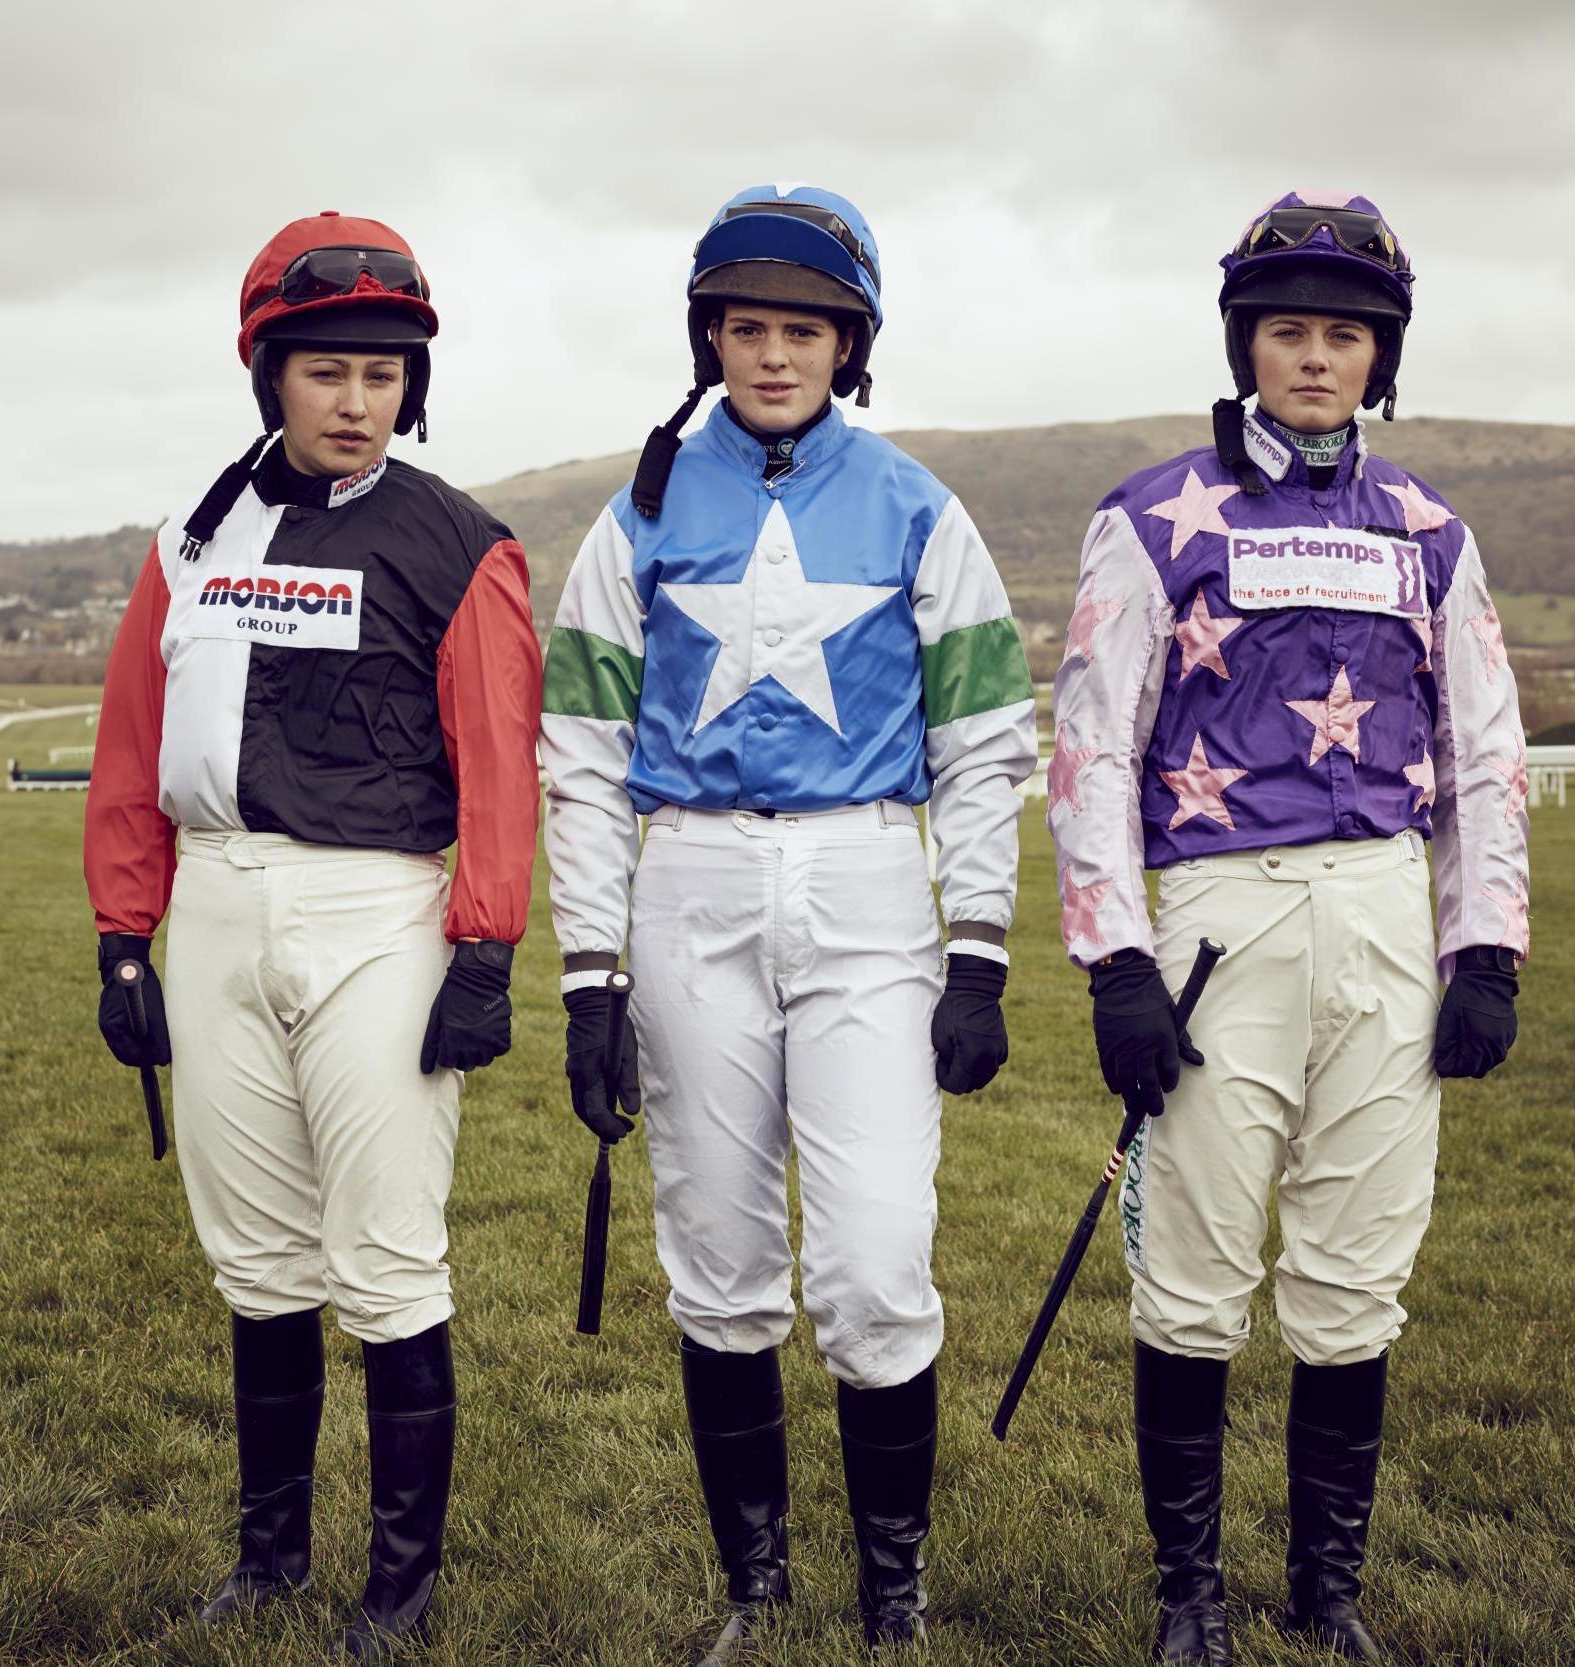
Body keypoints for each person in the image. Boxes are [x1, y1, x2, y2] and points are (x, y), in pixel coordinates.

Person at [541, 184, 1037, 1659]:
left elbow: (985, 739)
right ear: (711, 338)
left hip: (866, 885)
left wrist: (980, 949)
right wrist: (586, 974)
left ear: (849, 343)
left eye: (802, 331)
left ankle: (895, 1596)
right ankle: (754, 1593)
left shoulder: (913, 506)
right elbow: (575, 752)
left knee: (877, 1262)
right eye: (746, 329)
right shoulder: (633, 514)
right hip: (686, 885)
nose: (772, 357)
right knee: (718, 1255)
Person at [1048, 191, 1528, 1665]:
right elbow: (1091, 749)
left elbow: (1485, 750)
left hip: (1381, 913)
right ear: (1243, 344)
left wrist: (1485, 946)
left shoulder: (1429, 533)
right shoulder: (1148, 519)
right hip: (1213, 923)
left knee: (1352, 1272)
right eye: (1285, 332)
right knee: (1193, 1275)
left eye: (1341, 336)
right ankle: (1184, 1595)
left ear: (1378, 357)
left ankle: (1328, 1595)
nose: (1311, 360)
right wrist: (1113, 959)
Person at [82, 212, 542, 1658]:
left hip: (377, 914)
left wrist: (483, 947)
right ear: (268, 373)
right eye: (329, 371)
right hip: (217, 907)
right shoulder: (190, 540)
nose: (358, 401)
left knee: (387, 1258)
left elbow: (497, 763)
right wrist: (120, 937)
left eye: (384, 375)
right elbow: (131, 748)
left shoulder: (464, 546)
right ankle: (269, 1558)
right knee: (259, 1259)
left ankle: (397, 1594)